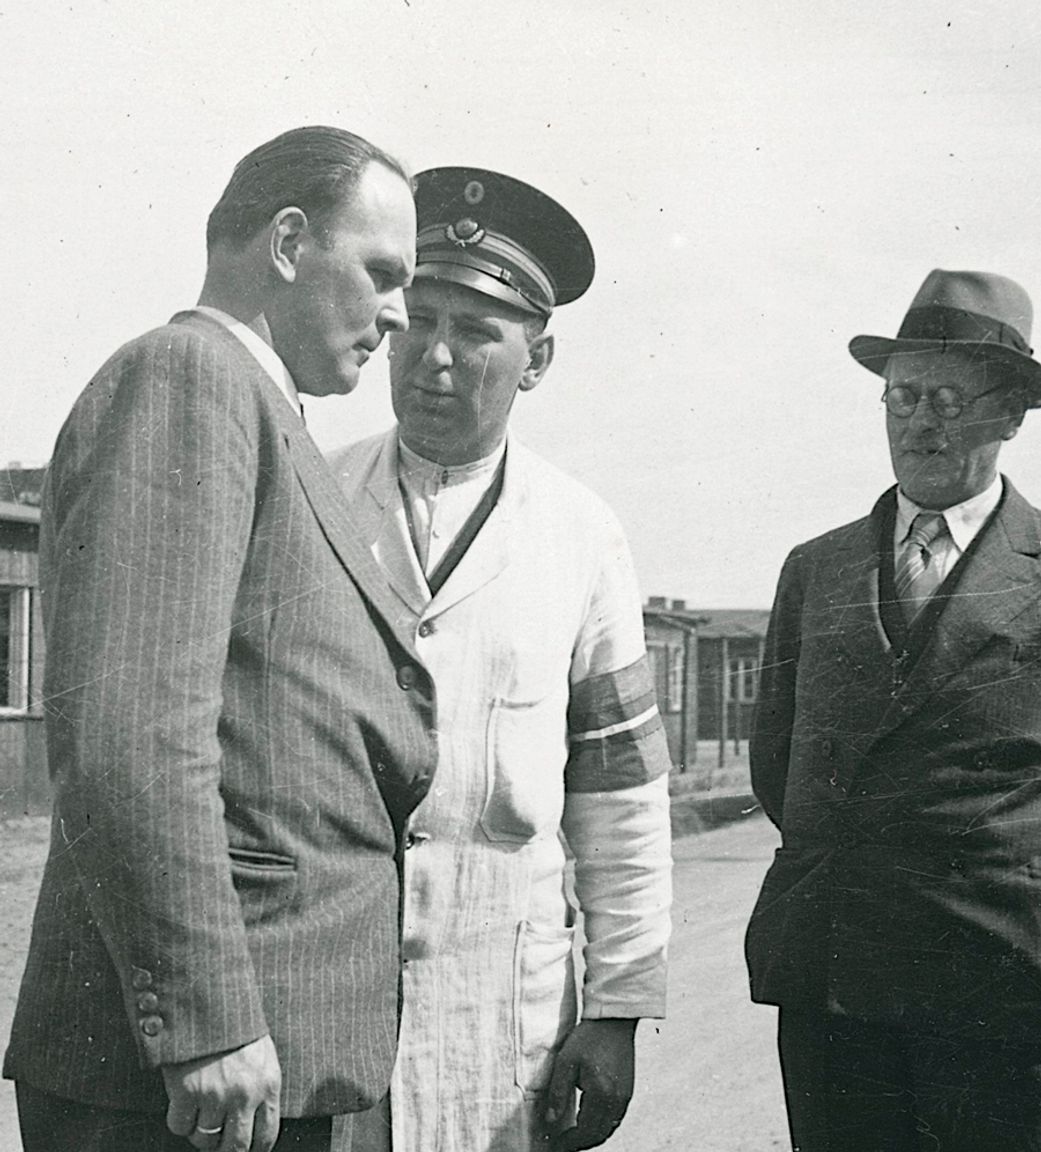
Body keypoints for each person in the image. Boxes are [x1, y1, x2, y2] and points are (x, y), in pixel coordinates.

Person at [3, 126, 437, 1152]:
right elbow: (132, 737)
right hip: (201, 1078)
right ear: (287, 242)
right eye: (380, 271)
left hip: (262, 1059)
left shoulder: (259, 408)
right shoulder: (189, 379)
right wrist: (205, 1022)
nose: (400, 313)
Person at [329, 167, 673, 1152]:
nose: (436, 356)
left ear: (537, 358)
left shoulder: (582, 534)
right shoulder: (313, 496)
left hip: (504, 1003)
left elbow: (622, 796)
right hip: (328, 990)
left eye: (477, 331)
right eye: (417, 320)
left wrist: (616, 1012)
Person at [745, 268, 1041, 1150]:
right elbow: (777, 761)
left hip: (998, 980)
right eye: (903, 396)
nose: (920, 420)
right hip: (833, 973)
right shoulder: (817, 567)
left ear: (1012, 414)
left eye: (949, 398)